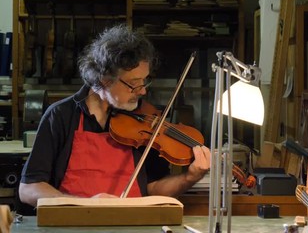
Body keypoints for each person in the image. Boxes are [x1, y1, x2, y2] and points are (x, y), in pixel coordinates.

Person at [19, 24, 211, 209]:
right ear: (104, 80)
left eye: (144, 81)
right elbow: (29, 189)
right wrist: (84, 204)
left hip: (132, 224)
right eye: (134, 83)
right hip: (74, 224)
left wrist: (190, 177)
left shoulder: (144, 119)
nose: (143, 91)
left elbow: (153, 188)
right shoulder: (61, 115)